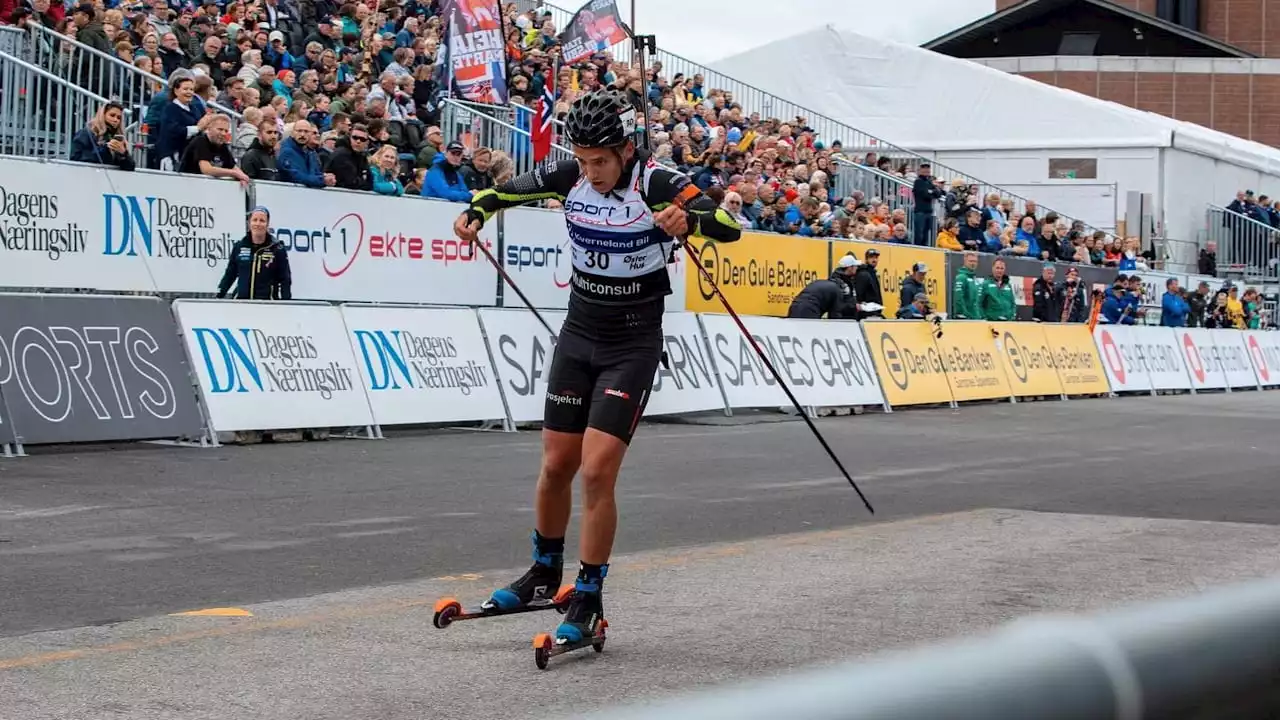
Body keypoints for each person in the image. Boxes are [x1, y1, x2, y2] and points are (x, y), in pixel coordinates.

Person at [451, 89, 741, 645]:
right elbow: (498, 192)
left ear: (626, 150)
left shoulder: (655, 182)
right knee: (557, 462)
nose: (591, 171)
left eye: (601, 161)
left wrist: (691, 219)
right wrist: (474, 214)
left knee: (597, 470)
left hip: (631, 344)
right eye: (583, 160)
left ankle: (588, 595)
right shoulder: (569, 175)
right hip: (579, 334)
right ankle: (543, 574)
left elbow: (728, 224)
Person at [216, 207, 292, 300]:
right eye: (255, 220)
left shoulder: (277, 249)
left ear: (267, 224)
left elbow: (285, 279)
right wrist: (219, 295)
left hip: (268, 305)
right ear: (249, 223)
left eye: (262, 221)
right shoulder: (239, 247)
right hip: (242, 304)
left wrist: (286, 304)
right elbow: (229, 274)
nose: (258, 224)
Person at [178, 113, 250, 184]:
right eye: (220, 129)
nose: (223, 133)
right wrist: (233, 173)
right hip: (187, 185)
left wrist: (242, 177)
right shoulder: (200, 141)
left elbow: (235, 168)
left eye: (226, 131)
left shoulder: (222, 146)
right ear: (209, 129)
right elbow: (206, 169)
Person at [787, 255, 859, 320]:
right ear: (850, 267)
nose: (857, 267)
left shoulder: (828, 282)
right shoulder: (838, 288)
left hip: (794, 307)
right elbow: (835, 315)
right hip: (809, 311)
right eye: (856, 266)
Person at [70, 101, 136, 171]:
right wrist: (105, 149)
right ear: (103, 115)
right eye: (112, 115)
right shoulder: (86, 133)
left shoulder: (117, 138)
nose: (115, 120)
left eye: (119, 118)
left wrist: (123, 154)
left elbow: (130, 167)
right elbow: (75, 158)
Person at [852, 248, 883, 319]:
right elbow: (859, 294)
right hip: (867, 313)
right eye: (871, 257)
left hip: (874, 311)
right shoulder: (864, 274)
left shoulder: (872, 273)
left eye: (876, 257)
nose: (874, 260)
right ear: (866, 259)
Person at [951, 251, 983, 320]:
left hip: (976, 318)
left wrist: (979, 314)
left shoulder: (975, 279)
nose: (973, 263)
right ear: (965, 261)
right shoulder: (961, 277)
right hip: (966, 319)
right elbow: (958, 298)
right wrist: (963, 314)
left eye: (975, 261)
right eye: (971, 261)